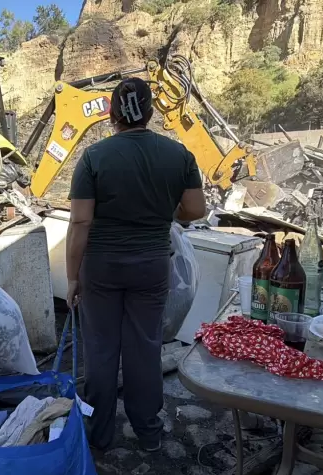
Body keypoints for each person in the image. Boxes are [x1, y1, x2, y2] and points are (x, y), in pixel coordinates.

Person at [65, 78, 208, 452]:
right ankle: (147, 431)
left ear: (111, 114)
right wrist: (164, 212)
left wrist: (71, 277)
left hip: (101, 270)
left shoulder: (95, 158)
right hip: (152, 266)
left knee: (101, 348)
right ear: (150, 112)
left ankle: (99, 434)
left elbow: (80, 222)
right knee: (144, 347)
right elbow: (195, 210)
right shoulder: (178, 155)